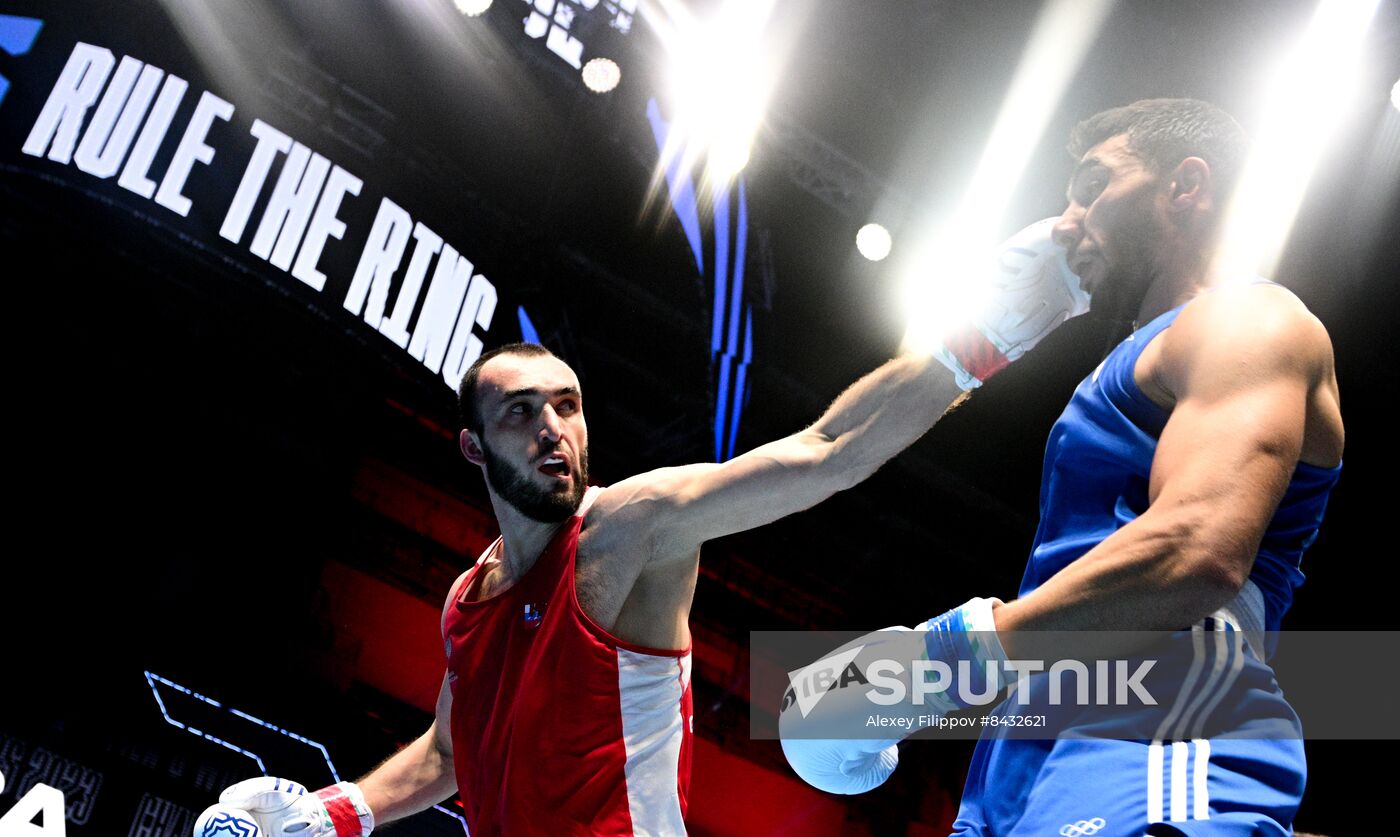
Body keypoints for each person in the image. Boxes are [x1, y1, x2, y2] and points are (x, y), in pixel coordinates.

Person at [191, 216, 1089, 834]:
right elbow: (451, 750)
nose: (553, 428)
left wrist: (982, 339)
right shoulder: (468, 598)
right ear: (473, 446)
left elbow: (827, 451)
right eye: (521, 412)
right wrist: (336, 812)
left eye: (567, 405)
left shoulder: (629, 529)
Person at [781, 98, 1343, 836]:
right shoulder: (1138, 358)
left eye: (1092, 187)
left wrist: (931, 666)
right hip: (1028, 745)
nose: (1066, 224)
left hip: (1156, 720)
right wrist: (966, 347)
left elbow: (1194, 552)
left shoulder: (1248, 320)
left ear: (1185, 186)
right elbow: (832, 445)